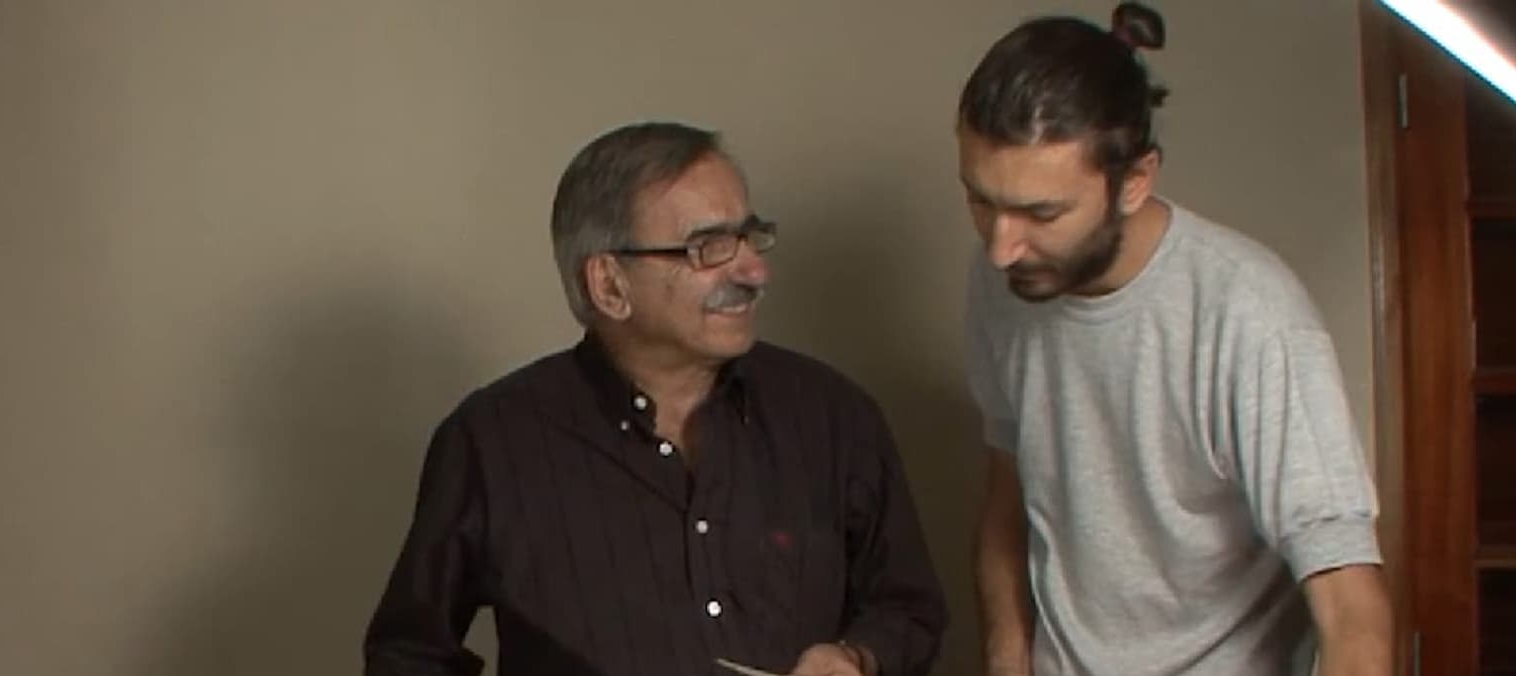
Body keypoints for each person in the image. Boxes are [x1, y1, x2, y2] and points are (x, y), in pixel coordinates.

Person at [364, 121, 948, 676]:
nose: (754, 271)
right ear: (609, 285)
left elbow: (908, 607)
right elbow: (410, 655)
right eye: (707, 246)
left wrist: (856, 657)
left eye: (749, 236)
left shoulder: (832, 417)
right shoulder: (492, 444)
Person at [956, 4, 1393, 675]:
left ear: (1133, 182)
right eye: (981, 201)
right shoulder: (1005, 281)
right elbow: (1007, 498)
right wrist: (1007, 657)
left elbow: (1352, 611)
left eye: (1042, 213)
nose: (1001, 247)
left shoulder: (1250, 312)